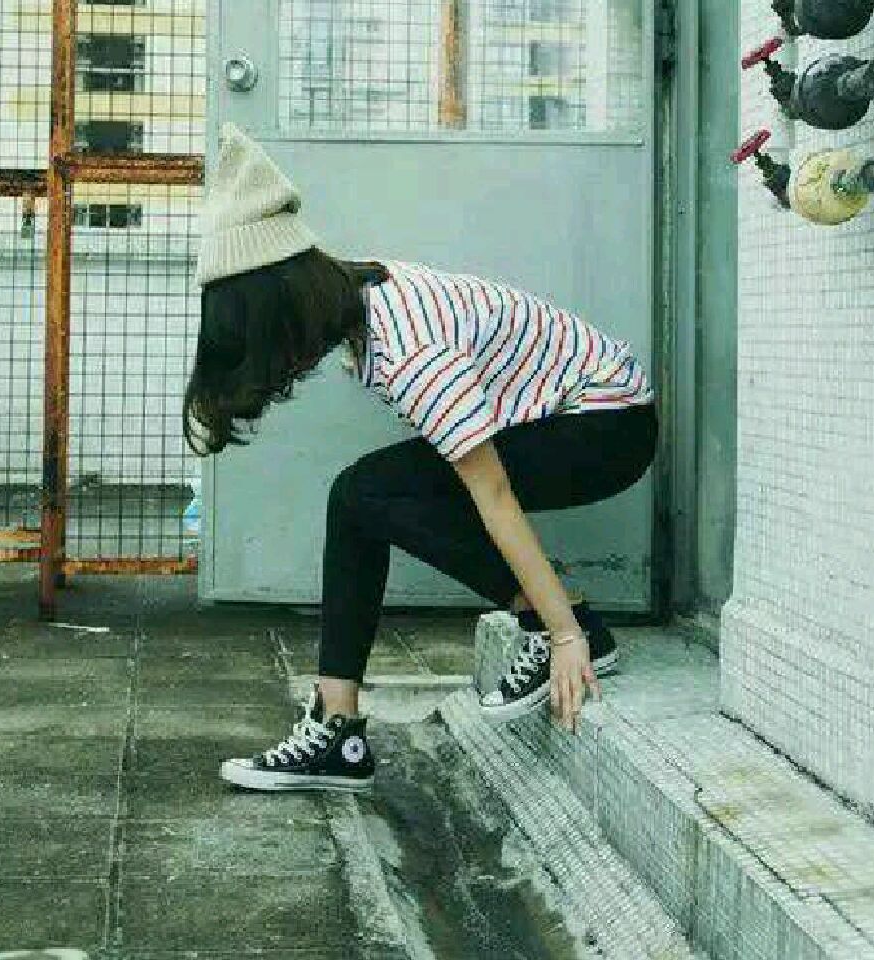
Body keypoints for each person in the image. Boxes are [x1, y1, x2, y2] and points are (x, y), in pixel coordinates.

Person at [184, 124, 657, 793]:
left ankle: (572, 620)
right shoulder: (360, 296)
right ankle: (337, 729)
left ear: (285, 313)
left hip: (607, 429)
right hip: (575, 417)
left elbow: (494, 495)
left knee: (369, 494)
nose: (279, 369)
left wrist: (564, 634)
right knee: (360, 495)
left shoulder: (408, 352)